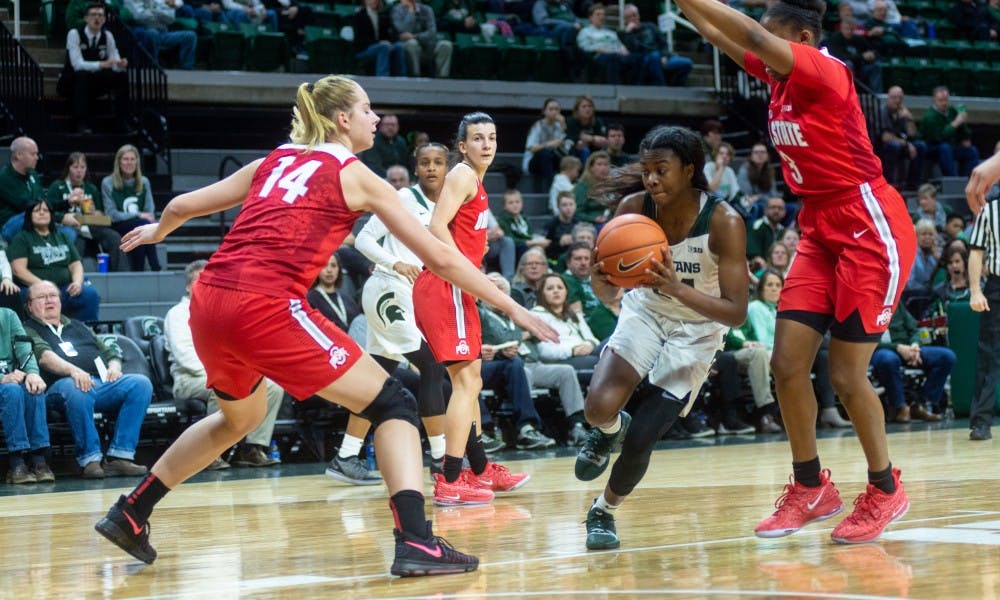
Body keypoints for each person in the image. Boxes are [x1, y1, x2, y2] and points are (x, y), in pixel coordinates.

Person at [94, 76, 556, 576]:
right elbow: (441, 258)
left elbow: (182, 206)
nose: (376, 119)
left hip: (208, 300)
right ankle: (418, 541)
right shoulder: (355, 175)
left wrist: (157, 230)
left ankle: (132, 512)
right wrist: (515, 309)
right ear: (342, 119)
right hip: (266, 304)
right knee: (394, 402)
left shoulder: (274, 158)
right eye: (367, 110)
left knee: (238, 419)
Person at [673, 0, 917, 543]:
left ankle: (884, 489)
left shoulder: (826, 71)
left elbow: (753, 39)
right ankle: (811, 487)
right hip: (819, 226)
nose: (763, 40)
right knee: (786, 365)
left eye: (772, 32)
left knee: (847, 375)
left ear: (802, 36)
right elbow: (721, 35)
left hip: (868, 225)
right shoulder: (781, 74)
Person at [570, 125, 748, 550]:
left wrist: (678, 289)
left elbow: (737, 313)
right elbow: (611, 293)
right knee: (597, 409)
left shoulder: (725, 222)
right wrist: (601, 282)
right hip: (647, 311)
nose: (651, 180)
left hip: (699, 329)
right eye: (646, 170)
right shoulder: (634, 208)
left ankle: (603, 511)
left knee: (644, 436)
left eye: (661, 170)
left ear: (689, 170)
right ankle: (608, 429)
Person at [413, 112, 532, 507]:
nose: (487, 144)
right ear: (462, 146)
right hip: (446, 285)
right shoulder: (462, 175)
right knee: (466, 383)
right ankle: (449, 477)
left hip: (456, 287)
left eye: (492, 137)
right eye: (478, 138)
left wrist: (473, 264)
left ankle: (479, 469)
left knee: (471, 382)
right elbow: (436, 225)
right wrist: (465, 268)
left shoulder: (475, 182)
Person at [350, 142, 451, 480]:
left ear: (448, 167)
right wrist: (393, 262)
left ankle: (346, 456)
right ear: (416, 168)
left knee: (378, 374)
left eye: (438, 162)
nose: (432, 168)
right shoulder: (404, 199)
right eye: (425, 163)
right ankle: (440, 458)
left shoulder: (447, 206)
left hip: (410, 295)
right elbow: (363, 239)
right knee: (431, 365)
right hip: (387, 289)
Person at [165, 260, 284, 470]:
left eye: (209, 281)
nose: (205, 285)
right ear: (187, 286)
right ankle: (213, 454)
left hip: (225, 374)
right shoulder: (178, 313)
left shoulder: (223, 311)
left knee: (273, 385)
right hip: (189, 379)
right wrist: (226, 374)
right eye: (198, 280)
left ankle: (253, 448)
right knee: (221, 387)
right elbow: (186, 359)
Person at [25, 280, 150, 478]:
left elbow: (109, 352)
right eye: (41, 297)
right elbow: (44, 357)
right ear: (29, 305)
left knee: (140, 384)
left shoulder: (77, 325)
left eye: (53, 296)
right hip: (57, 387)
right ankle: (90, 460)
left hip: (99, 383)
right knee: (77, 388)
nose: (49, 300)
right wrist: (74, 371)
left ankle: (120, 457)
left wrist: (114, 367)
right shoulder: (29, 328)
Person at [8, 201, 102, 322]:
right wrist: (45, 287)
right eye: (37, 210)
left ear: (51, 215)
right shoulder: (21, 238)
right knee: (24, 297)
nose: (42, 213)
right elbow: (19, 270)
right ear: (29, 215)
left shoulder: (62, 236)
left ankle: (86, 333)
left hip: (65, 289)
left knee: (89, 294)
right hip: (35, 288)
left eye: (45, 210)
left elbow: (76, 264)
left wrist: (77, 283)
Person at [869, 304, 953, 422]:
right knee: (889, 359)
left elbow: (914, 329)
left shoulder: (896, 303)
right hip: (879, 350)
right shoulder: (865, 304)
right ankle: (900, 407)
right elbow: (864, 340)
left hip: (908, 349)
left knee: (946, 357)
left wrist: (915, 346)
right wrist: (897, 347)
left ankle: (921, 404)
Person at [46, 152, 126, 273]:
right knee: (78, 242)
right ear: (68, 168)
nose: (79, 171)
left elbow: (102, 214)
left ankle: (121, 275)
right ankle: (77, 280)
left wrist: (95, 212)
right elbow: (48, 211)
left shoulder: (91, 188)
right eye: (75, 167)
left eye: (82, 167)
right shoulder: (57, 187)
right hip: (68, 226)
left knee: (114, 237)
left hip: (90, 226)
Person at [0, 306, 52, 484]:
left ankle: (39, 459)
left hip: (12, 382)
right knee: (12, 390)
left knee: (34, 389)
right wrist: (2, 378)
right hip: (6, 385)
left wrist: (32, 373)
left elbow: (25, 349)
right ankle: (16, 462)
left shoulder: (8, 315)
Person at [967, 162, 1000, 441]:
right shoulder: (989, 209)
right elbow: (976, 251)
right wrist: (975, 290)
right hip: (998, 286)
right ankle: (980, 422)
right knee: (988, 356)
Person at [61, 3, 129, 135]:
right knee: (82, 75)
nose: (96, 18)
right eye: (93, 15)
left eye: (100, 15)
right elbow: (77, 64)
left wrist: (120, 64)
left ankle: (122, 122)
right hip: (71, 81)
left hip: (95, 80)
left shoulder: (108, 36)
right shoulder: (74, 34)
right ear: (86, 18)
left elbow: (114, 60)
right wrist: (101, 64)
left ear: (104, 19)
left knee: (122, 77)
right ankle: (82, 123)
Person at [101, 144, 162, 272]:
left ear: (137, 162)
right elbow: (111, 214)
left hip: (139, 224)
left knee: (141, 226)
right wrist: (137, 215)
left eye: (132, 159)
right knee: (142, 225)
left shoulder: (144, 182)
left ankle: (140, 270)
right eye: (125, 159)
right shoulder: (108, 182)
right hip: (118, 224)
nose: (129, 163)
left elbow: (149, 211)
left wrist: (142, 217)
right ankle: (155, 267)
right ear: (119, 162)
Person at [619, 3, 692, 86]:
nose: (633, 18)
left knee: (687, 63)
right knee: (654, 57)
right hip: (645, 59)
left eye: (634, 15)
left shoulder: (651, 26)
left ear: (638, 15)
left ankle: (675, 86)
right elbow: (633, 49)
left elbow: (663, 43)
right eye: (629, 17)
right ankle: (662, 86)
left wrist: (664, 56)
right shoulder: (624, 34)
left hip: (660, 57)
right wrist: (628, 33)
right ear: (625, 19)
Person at [919, 86, 980, 178]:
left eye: (946, 100)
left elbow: (965, 132)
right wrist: (955, 123)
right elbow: (939, 137)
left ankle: (968, 180)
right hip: (932, 148)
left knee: (972, 150)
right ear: (934, 99)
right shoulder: (930, 116)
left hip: (951, 147)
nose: (944, 103)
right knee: (945, 147)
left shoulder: (952, 111)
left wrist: (964, 133)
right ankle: (953, 180)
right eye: (941, 100)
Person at [123, 0, 197, 70]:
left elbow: (171, 18)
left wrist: (152, 10)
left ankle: (186, 69)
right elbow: (138, 16)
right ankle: (154, 67)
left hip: (164, 32)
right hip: (145, 30)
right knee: (152, 33)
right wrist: (160, 13)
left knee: (190, 36)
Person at [877, 86, 924, 191]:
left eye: (900, 98)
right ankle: (889, 183)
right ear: (888, 98)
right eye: (894, 98)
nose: (897, 101)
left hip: (901, 145)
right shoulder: (882, 112)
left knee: (920, 146)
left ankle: (912, 184)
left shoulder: (903, 112)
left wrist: (909, 118)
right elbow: (885, 137)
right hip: (882, 146)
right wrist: (907, 144)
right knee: (894, 146)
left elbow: (912, 134)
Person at [391, 0, 453, 78]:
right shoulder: (397, 10)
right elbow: (403, 30)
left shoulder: (426, 9)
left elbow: (432, 32)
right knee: (412, 43)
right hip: (410, 48)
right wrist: (411, 12)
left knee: (446, 45)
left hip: (428, 45)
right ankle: (416, 77)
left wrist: (415, 37)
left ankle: (442, 78)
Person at [0, 137, 44, 243]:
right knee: (33, 215)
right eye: (33, 154)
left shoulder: (33, 174)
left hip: (33, 217)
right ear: (18, 155)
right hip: (9, 224)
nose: (37, 158)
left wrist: (66, 204)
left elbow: (42, 199)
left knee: (68, 231)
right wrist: (59, 218)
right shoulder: (4, 178)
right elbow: (26, 205)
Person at [352, 0, 407, 77]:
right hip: (364, 49)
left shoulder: (384, 15)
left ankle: (401, 78)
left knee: (399, 46)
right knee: (383, 47)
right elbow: (360, 40)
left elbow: (392, 34)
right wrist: (379, 42)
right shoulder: (359, 16)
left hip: (382, 45)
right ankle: (383, 77)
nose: (374, 1)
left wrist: (390, 42)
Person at [523, 98, 568, 193]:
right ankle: (551, 188)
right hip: (534, 162)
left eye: (557, 109)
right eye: (551, 109)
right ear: (544, 111)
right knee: (544, 153)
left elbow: (566, 147)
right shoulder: (537, 126)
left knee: (565, 158)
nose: (554, 112)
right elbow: (532, 148)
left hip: (551, 160)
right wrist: (548, 144)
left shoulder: (560, 126)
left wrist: (563, 125)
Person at [737, 142, 779, 221]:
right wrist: (763, 198)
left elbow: (774, 195)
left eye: (763, 152)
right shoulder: (744, 170)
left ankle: (779, 231)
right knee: (758, 207)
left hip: (765, 202)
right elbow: (747, 196)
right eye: (756, 152)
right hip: (747, 204)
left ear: (767, 156)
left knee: (791, 208)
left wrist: (759, 197)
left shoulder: (769, 171)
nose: (760, 155)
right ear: (751, 156)